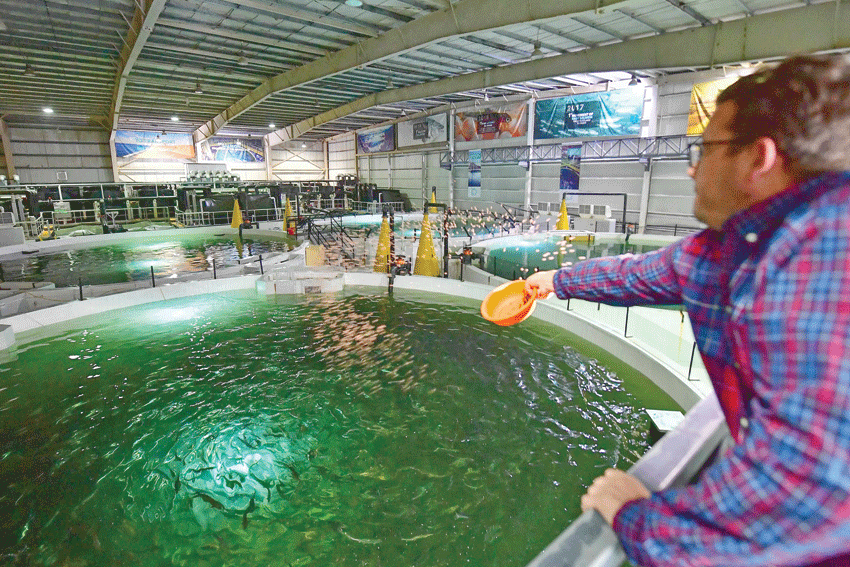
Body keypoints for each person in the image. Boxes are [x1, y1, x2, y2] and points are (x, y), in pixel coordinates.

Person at [525, 53, 850, 567]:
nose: (694, 167)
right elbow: (642, 272)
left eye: (706, 148)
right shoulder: (737, 247)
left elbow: (805, 497)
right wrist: (554, 281)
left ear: (758, 159)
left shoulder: (821, 263)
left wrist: (632, 513)